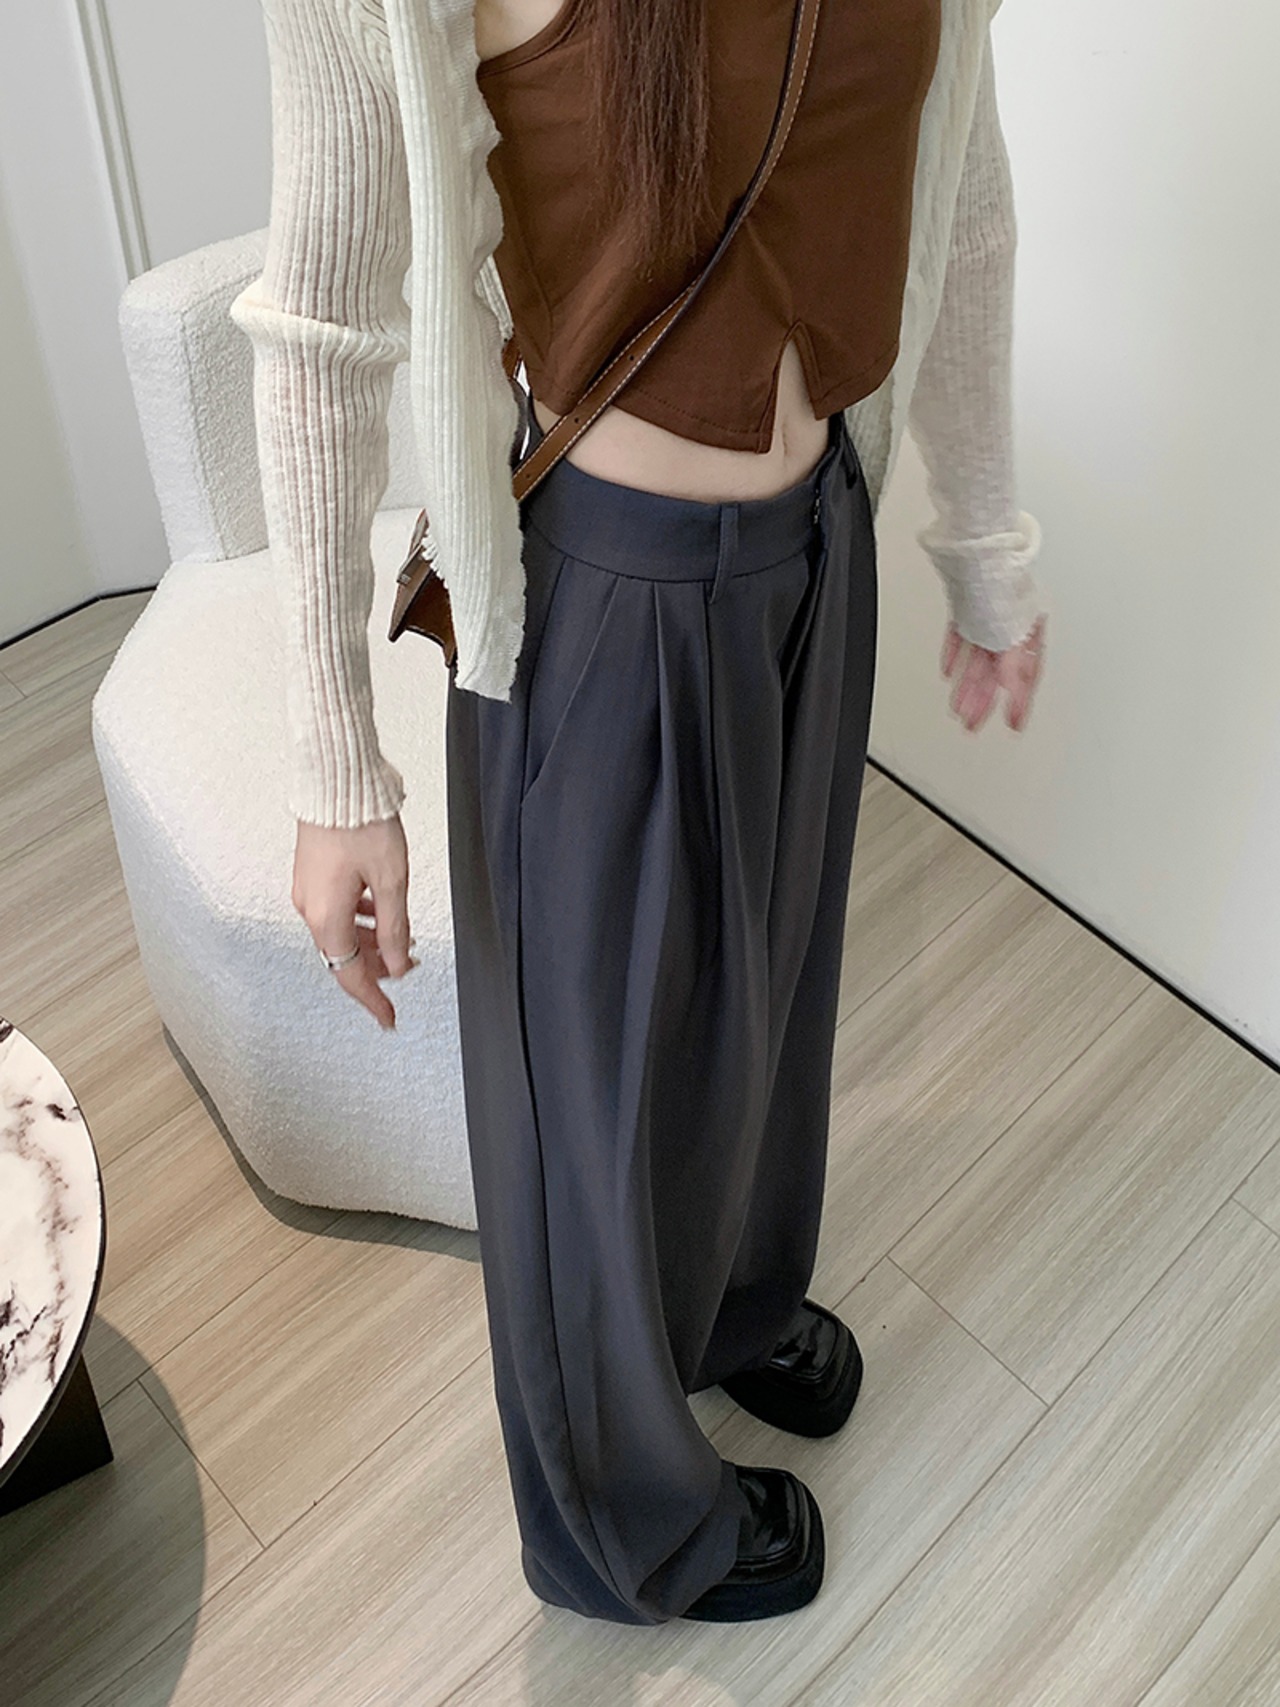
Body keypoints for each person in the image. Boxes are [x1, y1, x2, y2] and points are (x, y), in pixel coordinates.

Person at [230, 0, 1048, 1628]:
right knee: (591, 1100)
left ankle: (728, 1308)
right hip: (609, 597)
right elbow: (319, 322)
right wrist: (335, 768)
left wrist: (983, 547)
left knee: (768, 1001)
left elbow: (957, 191)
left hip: (822, 548)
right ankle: (620, 1525)